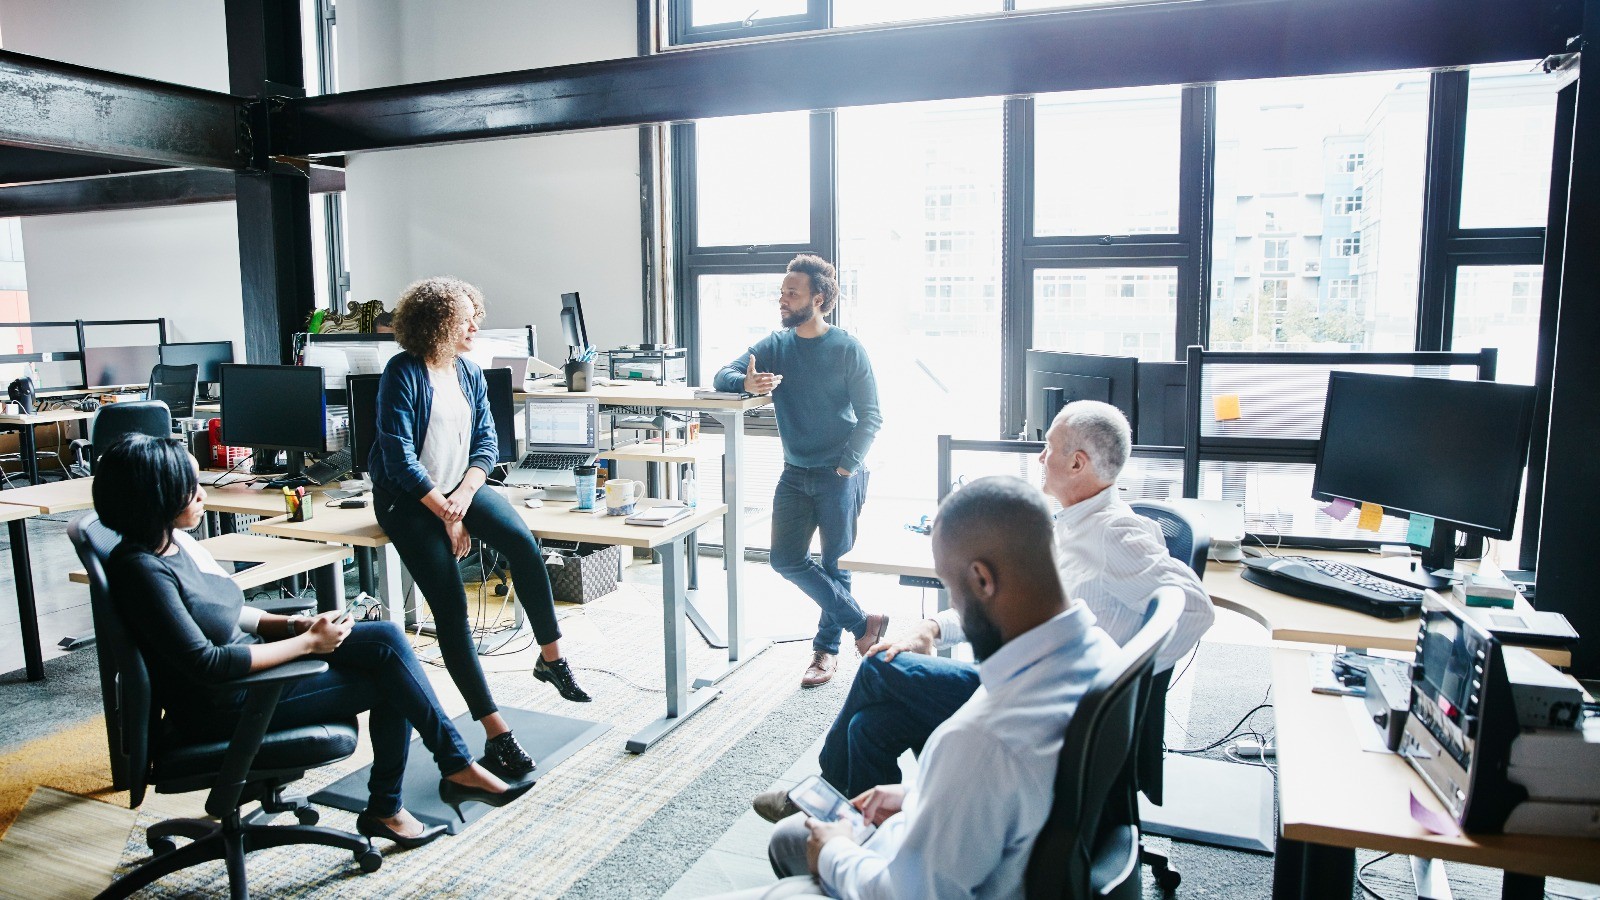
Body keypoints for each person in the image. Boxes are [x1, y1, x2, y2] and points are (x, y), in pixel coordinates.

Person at [754, 400, 1215, 815]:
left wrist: (1114, 682)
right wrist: (933, 626)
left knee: (880, 669)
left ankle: (821, 797)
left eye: (1048, 448)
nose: (1039, 457)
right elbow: (1002, 602)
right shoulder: (1068, 525)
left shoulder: (1115, 532)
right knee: (869, 727)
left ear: (1077, 462)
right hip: (1020, 682)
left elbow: (1194, 608)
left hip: (1052, 708)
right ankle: (862, 831)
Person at [94, 434, 525, 849]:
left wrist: (295, 626)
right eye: (187, 489)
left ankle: (446, 772)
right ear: (154, 498)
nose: (201, 494)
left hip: (246, 679)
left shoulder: (173, 544)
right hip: (225, 702)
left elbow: (227, 611)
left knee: (389, 640)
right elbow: (209, 664)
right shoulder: (141, 570)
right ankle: (416, 791)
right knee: (393, 677)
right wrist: (308, 645)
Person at [715, 476, 1120, 899]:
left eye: (951, 587)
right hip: (1004, 851)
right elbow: (1022, 796)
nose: (953, 606)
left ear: (982, 580)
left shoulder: (978, 741)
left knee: (797, 841)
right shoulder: (1101, 652)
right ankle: (836, 795)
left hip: (915, 884)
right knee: (869, 728)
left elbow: (909, 894)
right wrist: (917, 795)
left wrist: (834, 851)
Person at [369, 276, 590, 783]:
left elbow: (487, 443)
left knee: (523, 545)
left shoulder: (468, 371)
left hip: (458, 488)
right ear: (437, 323)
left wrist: (463, 499)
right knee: (450, 608)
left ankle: (551, 657)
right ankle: (495, 732)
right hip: (409, 498)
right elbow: (399, 458)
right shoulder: (401, 373)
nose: (475, 324)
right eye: (465, 316)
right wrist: (445, 513)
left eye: (475, 314)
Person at [713, 254, 889, 688]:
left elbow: (872, 416)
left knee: (834, 564)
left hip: (839, 474)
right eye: (781, 293)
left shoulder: (848, 348)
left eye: (791, 293)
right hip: (794, 473)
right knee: (785, 559)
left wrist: (848, 466)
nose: (782, 300)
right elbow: (724, 374)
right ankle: (863, 622)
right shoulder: (776, 345)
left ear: (819, 297)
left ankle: (825, 653)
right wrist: (746, 383)